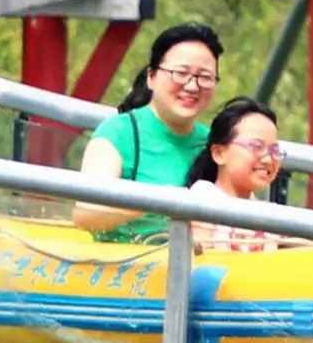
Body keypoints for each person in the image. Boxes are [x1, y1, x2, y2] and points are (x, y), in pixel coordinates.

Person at [69, 21, 219, 238]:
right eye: (180, 73)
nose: (192, 86)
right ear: (151, 77)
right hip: (128, 257)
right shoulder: (119, 132)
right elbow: (87, 215)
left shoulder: (215, 144)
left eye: (205, 77)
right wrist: (159, 199)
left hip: (198, 258)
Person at [185, 96, 302, 251]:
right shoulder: (204, 197)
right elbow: (197, 257)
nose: (268, 159)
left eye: (274, 150)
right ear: (219, 153)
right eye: (256, 146)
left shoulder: (267, 212)